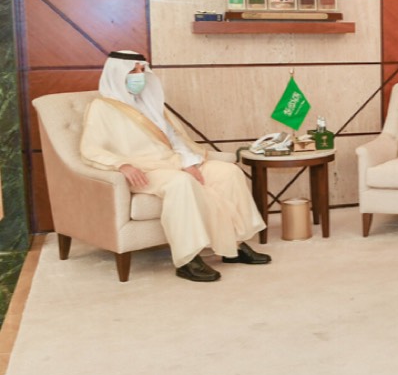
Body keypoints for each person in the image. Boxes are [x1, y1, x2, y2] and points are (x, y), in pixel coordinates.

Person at [80, 51, 271, 282]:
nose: (139, 75)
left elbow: (175, 139)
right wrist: (122, 165)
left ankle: (234, 246)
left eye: (142, 70)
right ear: (116, 74)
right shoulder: (101, 107)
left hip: (174, 161)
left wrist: (188, 162)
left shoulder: (150, 103)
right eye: (133, 71)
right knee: (181, 183)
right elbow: (91, 149)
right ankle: (187, 260)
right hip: (144, 170)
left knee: (228, 172)